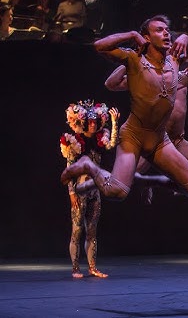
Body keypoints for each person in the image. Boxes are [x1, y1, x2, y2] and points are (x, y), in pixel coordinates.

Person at [60, 14, 188, 201]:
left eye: (167, 30)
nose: (166, 33)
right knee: (117, 193)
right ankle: (89, 166)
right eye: (159, 30)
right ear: (146, 37)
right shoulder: (134, 58)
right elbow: (99, 46)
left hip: (160, 140)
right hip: (133, 137)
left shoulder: (175, 59)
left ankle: (145, 181)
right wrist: (131, 34)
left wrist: (186, 38)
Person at [104, 34, 188, 199]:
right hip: (153, 140)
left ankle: (156, 180)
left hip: (176, 141)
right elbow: (111, 84)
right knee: (122, 182)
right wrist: (131, 60)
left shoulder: (181, 76)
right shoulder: (145, 75)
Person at [60, 99, 120, 278]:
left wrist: (115, 122)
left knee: (92, 230)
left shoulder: (100, 140)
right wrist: (72, 194)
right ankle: (75, 268)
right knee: (77, 229)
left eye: (95, 122)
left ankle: (92, 267)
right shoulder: (75, 142)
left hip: (95, 191)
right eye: (90, 122)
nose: (93, 125)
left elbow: (112, 144)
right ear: (84, 123)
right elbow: (69, 169)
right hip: (80, 191)